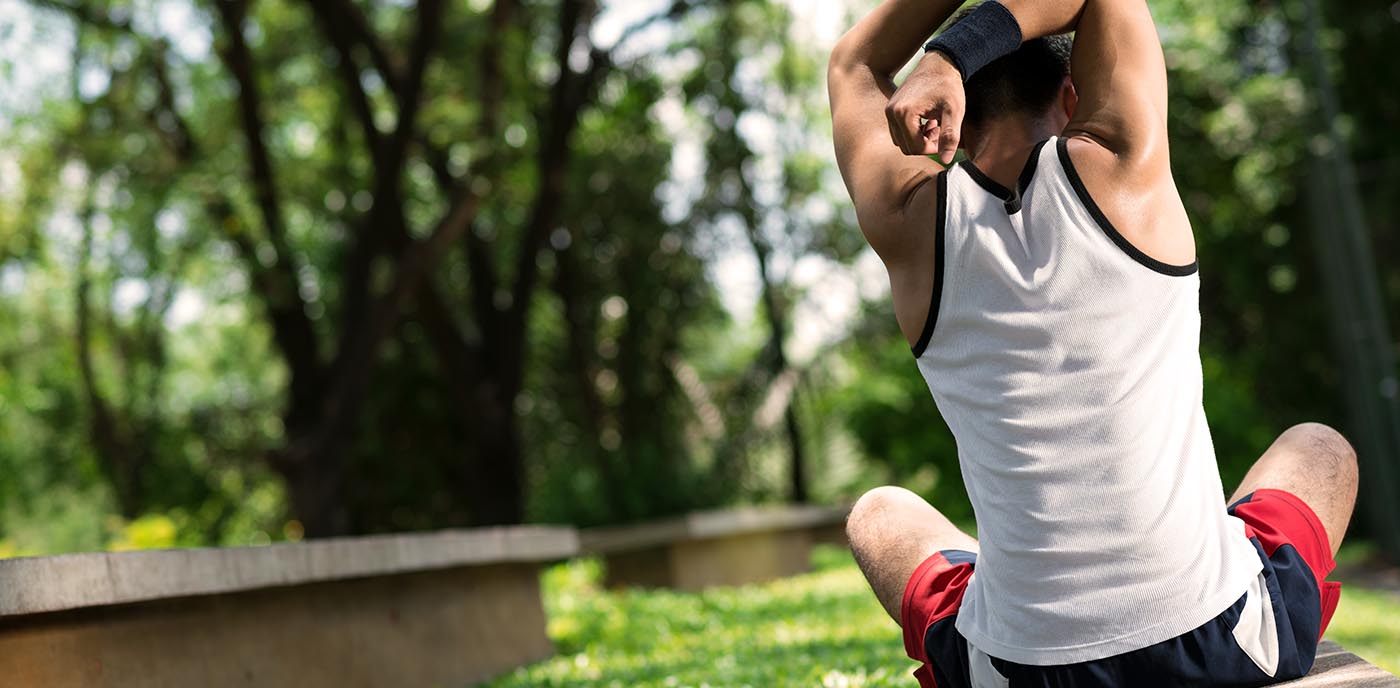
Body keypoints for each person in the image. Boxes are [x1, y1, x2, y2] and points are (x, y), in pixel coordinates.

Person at [826, 0, 1359, 685]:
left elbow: (853, 64)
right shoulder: (1122, 163)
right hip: (1217, 643)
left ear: (958, 117)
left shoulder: (908, 227)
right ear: (1072, 95)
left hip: (1017, 672)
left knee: (880, 513)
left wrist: (935, 61)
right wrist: (953, 54)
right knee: (1319, 447)